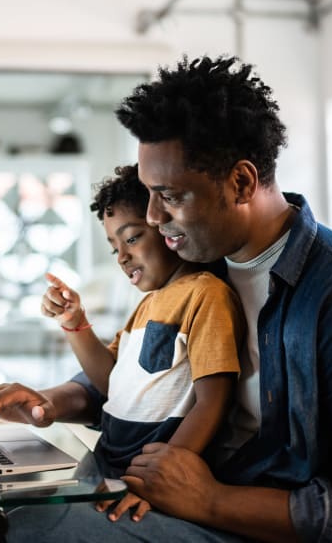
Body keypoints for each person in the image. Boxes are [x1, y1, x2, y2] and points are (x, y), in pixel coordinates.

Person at [0, 55, 332, 542]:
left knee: (28, 532)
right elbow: (137, 375)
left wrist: (213, 500)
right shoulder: (196, 260)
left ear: (240, 182)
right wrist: (47, 401)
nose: (152, 218)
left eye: (170, 196)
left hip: (239, 518)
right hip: (171, 492)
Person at [39, 164, 243, 518]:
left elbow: (213, 401)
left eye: (132, 238)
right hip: (106, 466)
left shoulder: (206, 294)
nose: (121, 256)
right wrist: (75, 323)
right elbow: (109, 383)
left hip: (143, 484)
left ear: (167, 228)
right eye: (113, 246)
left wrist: (158, 479)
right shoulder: (148, 304)